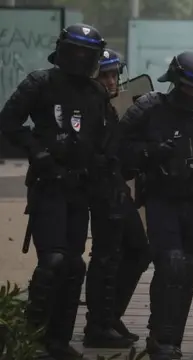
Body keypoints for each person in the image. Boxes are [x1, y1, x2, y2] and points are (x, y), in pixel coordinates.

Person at [117, 51, 193, 359]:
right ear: (174, 81)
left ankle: (170, 340)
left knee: (187, 270)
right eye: (188, 86)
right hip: (163, 199)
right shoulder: (149, 110)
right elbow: (119, 148)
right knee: (170, 264)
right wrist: (151, 152)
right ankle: (160, 339)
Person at [0, 24, 109, 359]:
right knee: (53, 261)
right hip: (49, 184)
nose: (79, 58)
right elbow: (8, 122)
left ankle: (59, 342)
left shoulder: (95, 93)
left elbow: (104, 141)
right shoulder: (40, 82)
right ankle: (32, 341)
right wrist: (37, 150)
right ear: (62, 51)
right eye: (73, 51)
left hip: (80, 188)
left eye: (85, 53)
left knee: (74, 265)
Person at [83, 48, 151, 348]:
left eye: (114, 74)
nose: (111, 82)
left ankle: (109, 317)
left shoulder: (110, 105)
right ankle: (98, 325)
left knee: (138, 249)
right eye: (104, 75)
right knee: (105, 256)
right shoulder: (85, 106)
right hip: (97, 187)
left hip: (115, 185)